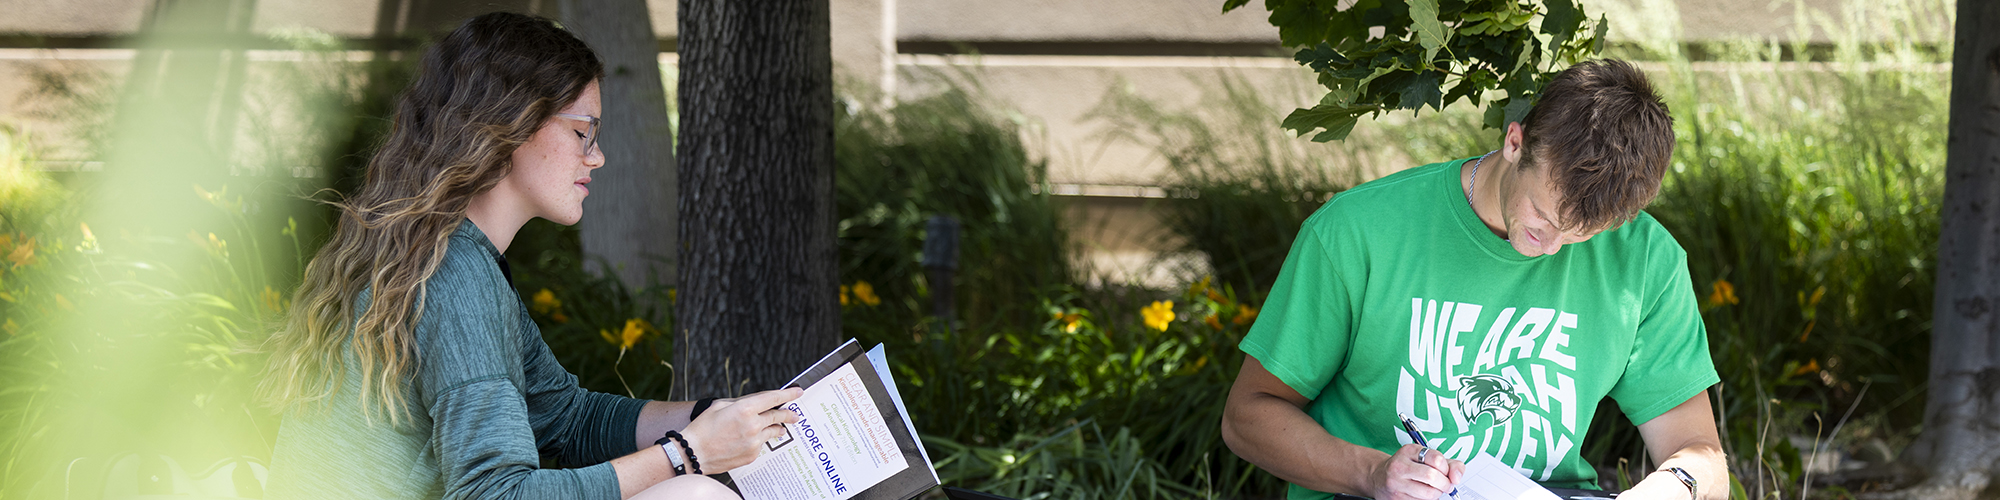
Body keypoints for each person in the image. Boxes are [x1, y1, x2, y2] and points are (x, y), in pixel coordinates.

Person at [257, 12, 798, 500]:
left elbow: (569, 418)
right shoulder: (452, 274)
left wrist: (715, 418)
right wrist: (687, 456)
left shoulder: (449, 259)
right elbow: (497, 495)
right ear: (511, 125)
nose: (599, 156)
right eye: (584, 132)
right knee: (692, 498)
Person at [1220, 59, 1727, 500]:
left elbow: (1699, 452)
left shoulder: (1645, 259)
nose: (1550, 247)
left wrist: (1675, 484)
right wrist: (1373, 474)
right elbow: (1247, 416)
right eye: (1542, 216)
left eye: (1580, 234)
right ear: (1515, 141)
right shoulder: (1359, 231)